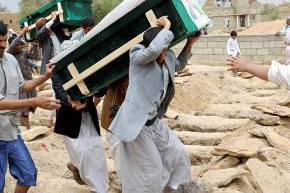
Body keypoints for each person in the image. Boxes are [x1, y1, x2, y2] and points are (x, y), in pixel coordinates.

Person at [109, 16, 201, 192]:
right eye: (161, 51)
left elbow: (178, 65)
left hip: (154, 122)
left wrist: (190, 44)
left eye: (166, 51)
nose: (163, 55)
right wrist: (167, 26)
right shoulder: (137, 55)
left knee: (179, 154)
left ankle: (175, 190)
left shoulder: (166, 55)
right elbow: (153, 51)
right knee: (152, 171)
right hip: (136, 125)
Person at [0, 21, 60, 193]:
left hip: (11, 132)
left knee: (28, 174)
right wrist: (34, 102)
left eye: (4, 41)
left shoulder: (10, 59)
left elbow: (22, 86)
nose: (3, 45)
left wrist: (45, 76)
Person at [51, 18, 109, 192]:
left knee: (96, 152)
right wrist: (70, 100)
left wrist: (104, 80)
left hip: (87, 115)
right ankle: (79, 169)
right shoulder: (57, 71)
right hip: (68, 118)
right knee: (82, 154)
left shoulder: (87, 67)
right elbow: (58, 88)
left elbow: (99, 92)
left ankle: (100, 188)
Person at [6, 26, 39, 130]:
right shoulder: (9, 54)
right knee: (24, 108)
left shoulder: (23, 53)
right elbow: (12, 45)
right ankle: (27, 128)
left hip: (30, 83)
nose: (18, 47)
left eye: (19, 45)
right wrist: (22, 32)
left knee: (32, 105)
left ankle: (22, 121)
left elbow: (36, 56)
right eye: (17, 45)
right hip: (20, 85)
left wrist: (35, 43)